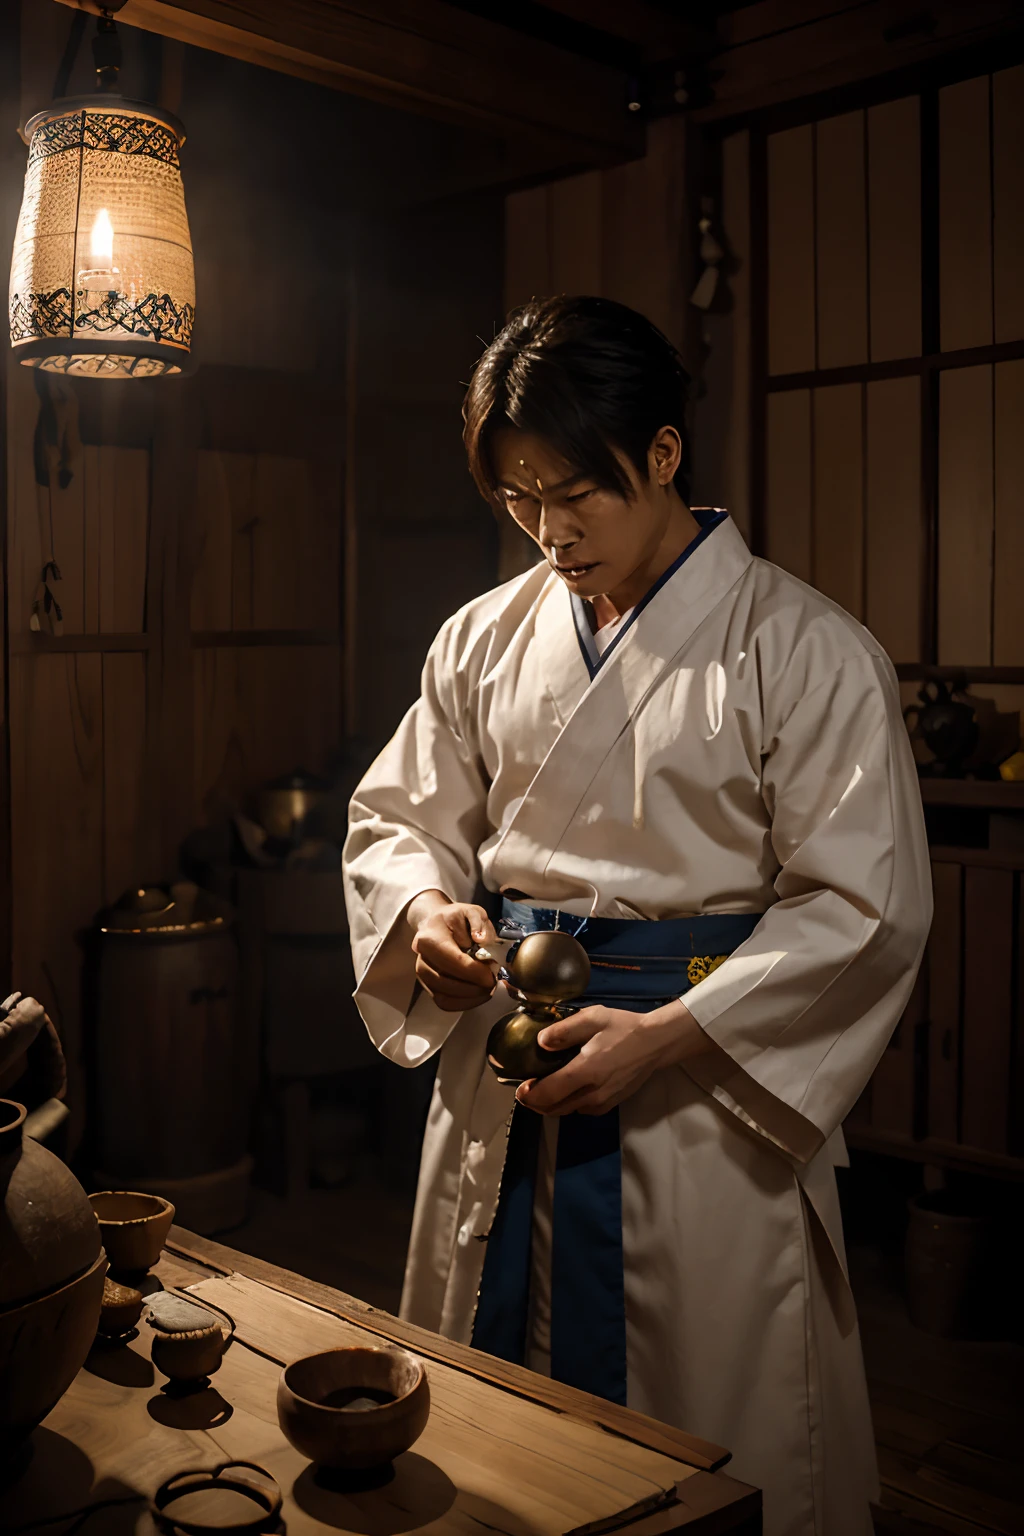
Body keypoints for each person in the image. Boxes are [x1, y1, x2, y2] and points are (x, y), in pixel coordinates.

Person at [343, 295, 932, 1536]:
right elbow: (396, 817)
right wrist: (428, 911)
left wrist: (664, 1036)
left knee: (707, 1415)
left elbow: (860, 908)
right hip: (507, 1053)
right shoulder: (480, 641)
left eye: (576, 493)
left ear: (662, 452)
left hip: (699, 1080)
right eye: (516, 498)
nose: (548, 532)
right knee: (483, 1441)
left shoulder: (805, 650)